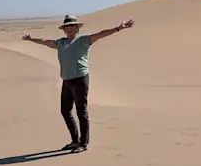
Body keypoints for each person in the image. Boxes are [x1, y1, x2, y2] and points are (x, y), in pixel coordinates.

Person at [22, 14, 135, 152]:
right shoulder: (61, 43)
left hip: (80, 79)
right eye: (66, 26)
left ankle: (83, 143)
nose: (69, 28)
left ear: (76, 28)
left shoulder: (83, 40)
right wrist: (31, 39)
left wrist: (118, 28)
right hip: (67, 80)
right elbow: (45, 41)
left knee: (81, 111)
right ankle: (75, 140)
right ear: (64, 29)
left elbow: (100, 34)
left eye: (71, 26)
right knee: (65, 111)